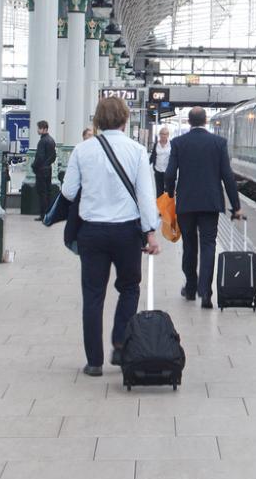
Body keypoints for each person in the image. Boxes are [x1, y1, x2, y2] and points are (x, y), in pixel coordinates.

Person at [57, 96, 162, 377]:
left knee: (93, 296)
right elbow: (145, 196)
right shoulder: (137, 151)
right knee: (129, 288)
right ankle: (119, 341)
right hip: (127, 232)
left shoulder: (82, 150)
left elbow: (68, 192)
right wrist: (150, 233)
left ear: (97, 121)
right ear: (126, 119)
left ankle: (94, 362)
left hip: (92, 232)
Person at [163, 105, 241, 308]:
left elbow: (170, 173)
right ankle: (205, 293)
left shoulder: (179, 143)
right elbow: (228, 177)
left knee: (189, 245)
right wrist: (236, 206)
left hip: (186, 204)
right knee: (208, 245)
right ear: (205, 121)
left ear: (189, 122)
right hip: (210, 203)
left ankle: (190, 287)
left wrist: (170, 193)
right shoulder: (218, 143)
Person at [32, 119, 56, 209]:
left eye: (39, 128)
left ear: (44, 129)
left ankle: (43, 213)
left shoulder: (42, 141)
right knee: (48, 191)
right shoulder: (51, 140)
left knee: (42, 192)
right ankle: (48, 212)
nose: (38, 130)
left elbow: (40, 157)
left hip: (41, 170)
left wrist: (34, 166)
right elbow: (54, 156)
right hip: (48, 169)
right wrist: (48, 164)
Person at [152, 125, 174, 193]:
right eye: (162, 134)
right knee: (159, 190)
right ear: (159, 134)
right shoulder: (156, 144)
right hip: (158, 170)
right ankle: (160, 203)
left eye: (165, 134)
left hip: (168, 171)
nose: (163, 136)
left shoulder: (172, 144)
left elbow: (174, 156)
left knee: (168, 191)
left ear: (168, 135)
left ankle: (167, 203)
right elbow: (153, 155)